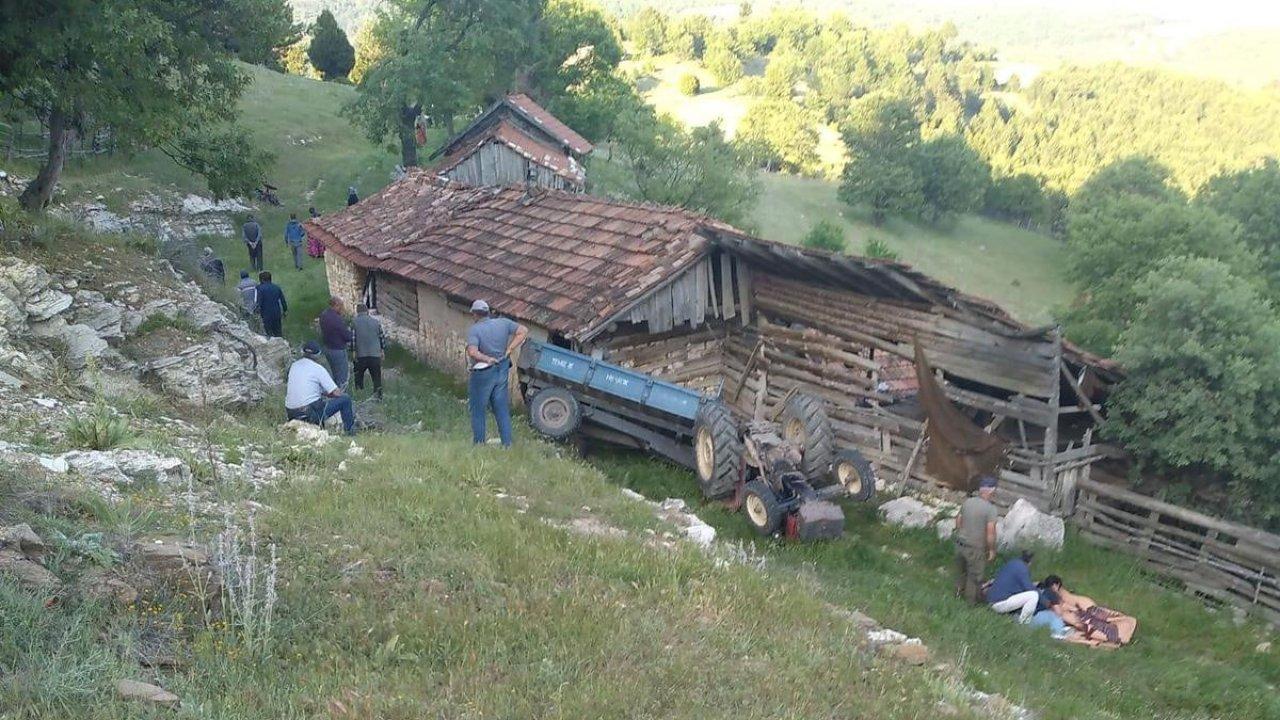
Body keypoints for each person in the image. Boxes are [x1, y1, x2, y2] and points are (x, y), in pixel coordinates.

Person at [465, 299, 528, 447]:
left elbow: (472, 352)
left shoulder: (475, 330)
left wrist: (487, 359)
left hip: (483, 373)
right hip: (502, 368)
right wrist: (509, 349)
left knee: (478, 409)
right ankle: (507, 444)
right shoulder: (503, 323)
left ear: (475, 314)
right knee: (501, 408)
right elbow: (523, 331)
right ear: (488, 312)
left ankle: (479, 443)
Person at [285, 341, 355, 434]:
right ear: (318, 354)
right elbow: (336, 393)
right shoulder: (318, 368)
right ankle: (350, 433)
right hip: (309, 414)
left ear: (303, 352)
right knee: (345, 399)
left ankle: (319, 428)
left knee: (318, 403)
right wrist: (331, 394)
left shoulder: (294, 365)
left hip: (291, 414)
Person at [954, 475, 1000, 604]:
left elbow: (958, 520)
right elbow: (990, 532)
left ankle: (957, 595)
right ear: (991, 491)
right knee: (974, 577)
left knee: (961, 572)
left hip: (960, 543)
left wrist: (961, 532)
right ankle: (969, 604)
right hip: (975, 548)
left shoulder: (968, 502)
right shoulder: (991, 509)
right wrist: (991, 549)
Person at [987, 551, 1041, 623]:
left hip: (992, 601)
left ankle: (1012, 617)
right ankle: (1024, 623)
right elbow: (1029, 588)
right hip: (1000, 603)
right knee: (1034, 595)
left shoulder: (1011, 564)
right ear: (1030, 562)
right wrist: (1047, 602)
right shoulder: (1023, 568)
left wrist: (1033, 584)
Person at [352, 303, 385, 399]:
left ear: (357, 312)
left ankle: (359, 395)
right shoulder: (376, 322)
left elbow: (353, 338)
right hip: (375, 354)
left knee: (358, 377)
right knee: (376, 377)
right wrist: (382, 350)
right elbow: (381, 337)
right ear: (367, 311)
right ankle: (378, 396)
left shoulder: (354, 322)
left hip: (360, 355)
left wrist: (353, 351)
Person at [318, 296, 352, 387]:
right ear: (336, 305)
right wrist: (350, 334)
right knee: (342, 377)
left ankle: (333, 394)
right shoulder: (337, 319)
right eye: (341, 306)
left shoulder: (323, 315)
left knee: (333, 374)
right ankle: (341, 397)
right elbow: (346, 336)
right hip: (338, 349)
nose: (342, 308)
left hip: (327, 347)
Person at [1029, 575, 1074, 640]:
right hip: (1035, 617)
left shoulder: (1039, 588)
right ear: (1056, 585)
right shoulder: (1051, 593)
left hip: (1026, 615)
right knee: (1055, 616)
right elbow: (1059, 613)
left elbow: (1034, 583)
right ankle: (1058, 633)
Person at [256, 271, 287, 338]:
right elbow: (283, 301)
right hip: (277, 313)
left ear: (262, 280)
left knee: (269, 333)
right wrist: (285, 310)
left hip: (266, 314)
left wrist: (256, 312)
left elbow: (259, 303)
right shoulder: (277, 287)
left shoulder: (260, 289)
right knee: (278, 332)